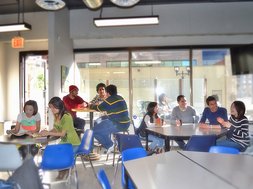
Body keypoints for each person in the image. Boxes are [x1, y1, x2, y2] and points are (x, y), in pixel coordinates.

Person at [39, 97, 81, 180]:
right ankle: (64, 171)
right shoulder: (57, 116)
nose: (51, 109)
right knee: (56, 153)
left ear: (59, 106)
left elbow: (62, 133)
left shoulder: (66, 117)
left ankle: (65, 171)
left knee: (59, 155)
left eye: (53, 107)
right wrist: (47, 132)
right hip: (65, 142)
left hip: (73, 143)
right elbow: (56, 128)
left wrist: (48, 133)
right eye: (50, 107)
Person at [90, 84, 130, 154]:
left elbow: (98, 108)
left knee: (93, 131)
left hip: (118, 124)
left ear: (108, 93)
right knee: (100, 128)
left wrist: (89, 105)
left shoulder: (109, 100)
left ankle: (110, 145)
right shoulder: (120, 97)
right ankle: (111, 144)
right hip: (126, 123)